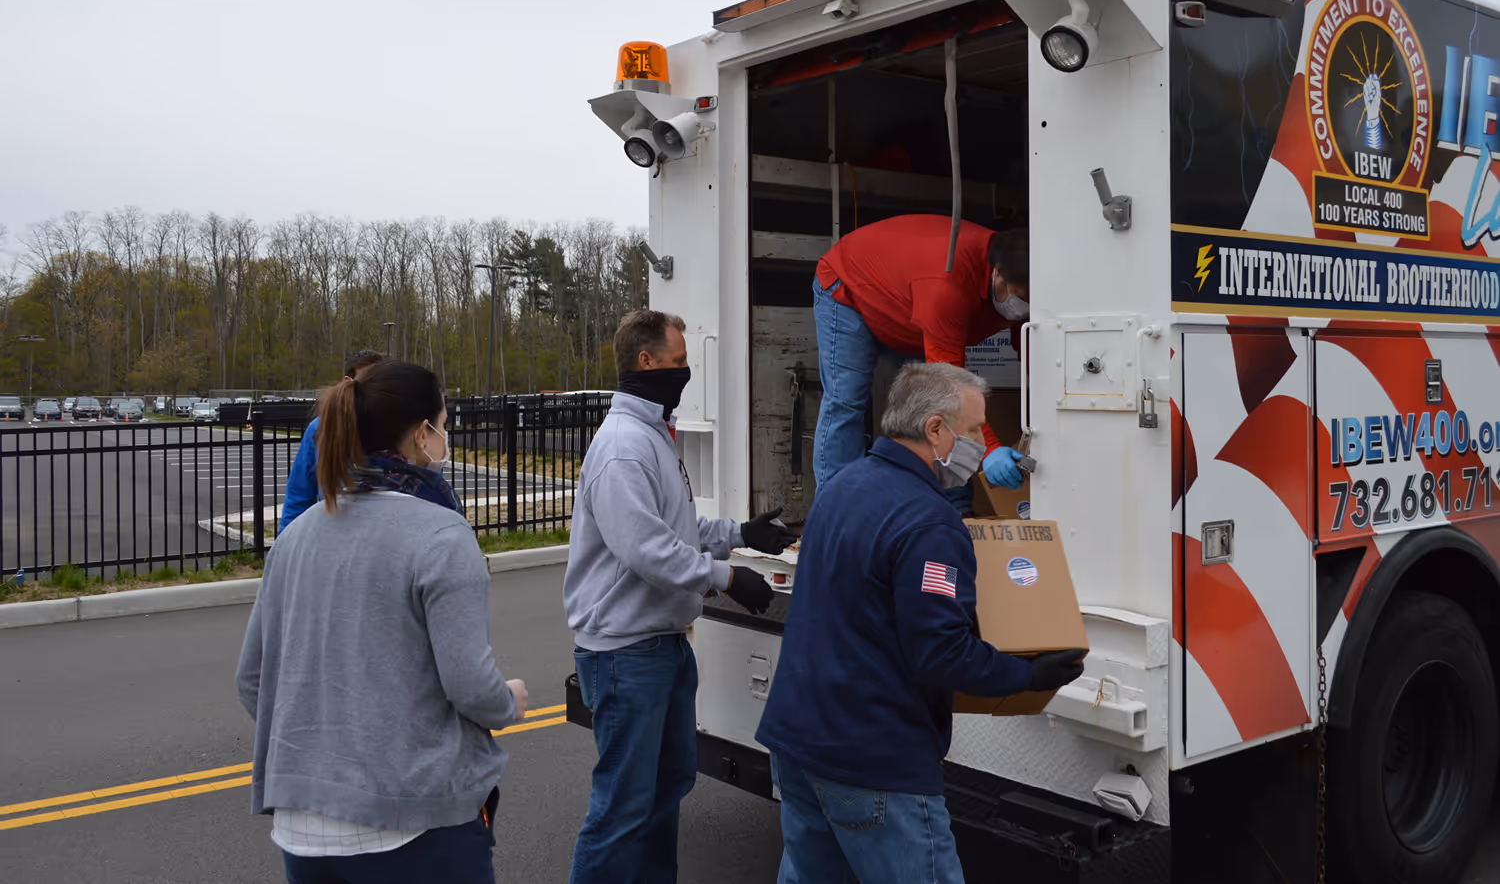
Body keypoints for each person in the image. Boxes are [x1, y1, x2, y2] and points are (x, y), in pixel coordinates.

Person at [756, 363, 1086, 884]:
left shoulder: (842, 487)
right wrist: (1029, 676)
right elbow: (940, 653)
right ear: (936, 430)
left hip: (797, 742)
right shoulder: (930, 521)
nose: (981, 441)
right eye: (975, 429)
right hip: (874, 758)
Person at [237, 360, 525, 883]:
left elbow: (253, 680)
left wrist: (326, 754)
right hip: (413, 822)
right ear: (422, 434)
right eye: (444, 424)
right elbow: (469, 684)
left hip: (303, 827)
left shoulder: (296, 537)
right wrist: (510, 702)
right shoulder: (441, 534)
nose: (446, 437)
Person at [564, 309, 796, 884]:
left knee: (666, 790)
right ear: (647, 362)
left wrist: (742, 535)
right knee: (622, 808)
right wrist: (726, 578)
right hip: (625, 655)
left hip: (661, 648)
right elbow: (644, 549)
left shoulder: (653, 436)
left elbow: (676, 531)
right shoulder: (623, 447)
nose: (686, 373)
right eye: (680, 362)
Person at [812, 215, 1031, 500]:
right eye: (1020, 297)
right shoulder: (945, 286)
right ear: (998, 273)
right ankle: (837, 507)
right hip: (849, 288)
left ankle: (951, 508)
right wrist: (989, 450)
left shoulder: (1022, 268)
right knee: (847, 401)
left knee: (928, 412)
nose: (1023, 308)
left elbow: (1031, 351)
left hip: (912, 306)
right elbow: (949, 387)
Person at [278, 349, 386, 532]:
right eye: (366, 383)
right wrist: (284, 544)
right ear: (347, 383)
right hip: (334, 537)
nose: (373, 392)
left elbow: (430, 489)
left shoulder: (401, 428)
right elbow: (299, 495)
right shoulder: (321, 428)